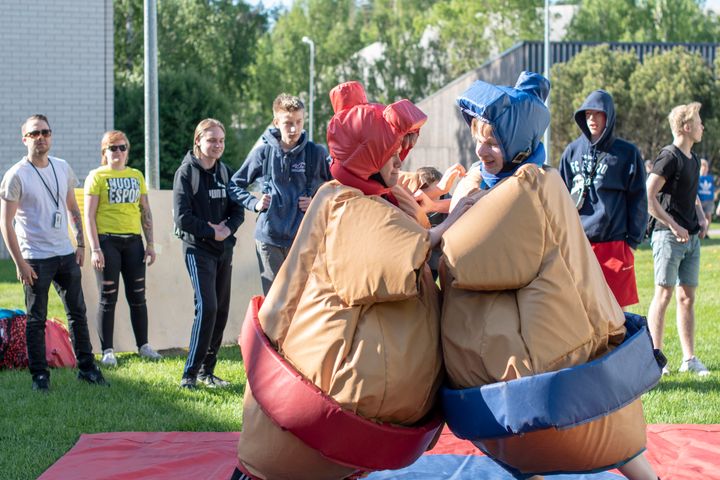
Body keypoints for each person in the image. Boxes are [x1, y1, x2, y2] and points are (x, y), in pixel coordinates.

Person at [233, 81, 477, 480]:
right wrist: (451, 220)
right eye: (391, 151)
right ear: (368, 156)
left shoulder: (372, 194)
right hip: (319, 391)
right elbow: (398, 252)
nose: (400, 159)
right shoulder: (346, 205)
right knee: (286, 464)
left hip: (338, 407)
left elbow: (409, 214)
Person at [441, 72, 658, 479]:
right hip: (545, 346)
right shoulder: (507, 179)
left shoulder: (529, 188)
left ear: (516, 142)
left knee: (602, 428)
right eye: (478, 139)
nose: (481, 150)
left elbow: (465, 257)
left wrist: (442, 229)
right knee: (528, 440)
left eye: (491, 142)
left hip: (561, 348)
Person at [0, 114, 107, 391]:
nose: (41, 137)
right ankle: (40, 376)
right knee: (36, 319)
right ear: (24, 139)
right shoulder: (16, 174)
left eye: (45, 132)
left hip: (65, 254)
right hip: (35, 257)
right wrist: (20, 263)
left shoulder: (62, 167)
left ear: (51, 135)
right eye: (34, 133)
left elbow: (73, 207)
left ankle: (87, 369)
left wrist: (80, 244)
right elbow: (5, 224)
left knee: (77, 313)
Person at [229, 94, 332, 295]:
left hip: (303, 240)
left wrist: (317, 202)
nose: (293, 129)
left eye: (298, 122)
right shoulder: (263, 153)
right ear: (276, 122)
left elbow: (338, 189)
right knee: (274, 303)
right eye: (287, 123)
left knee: (303, 302)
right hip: (269, 239)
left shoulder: (316, 153)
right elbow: (234, 185)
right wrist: (254, 204)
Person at [173, 118, 245, 390]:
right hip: (197, 250)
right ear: (198, 142)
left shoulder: (226, 173)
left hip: (223, 250)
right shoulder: (185, 173)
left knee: (222, 311)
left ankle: (207, 372)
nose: (217, 145)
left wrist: (228, 228)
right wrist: (209, 231)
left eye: (221, 141)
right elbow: (182, 218)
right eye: (212, 140)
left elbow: (237, 210)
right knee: (207, 307)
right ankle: (189, 375)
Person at [559, 90, 647, 309]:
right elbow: (559, 197)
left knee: (617, 312)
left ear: (609, 116)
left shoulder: (627, 153)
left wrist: (632, 242)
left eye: (598, 114)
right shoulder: (571, 152)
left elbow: (638, 199)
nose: (592, 119)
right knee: (580, 308)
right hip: (579, 244)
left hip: (614, 244)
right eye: (588, 114)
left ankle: (620, 346)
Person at [84, 130, 162, 367]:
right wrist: (95, 248)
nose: (118, 152)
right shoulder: (96, 176)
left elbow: (145, 211)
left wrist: (150, 244)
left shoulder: (137, 175)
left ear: (127, 150)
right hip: (108, 242)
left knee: (138, 296)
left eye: (122, 147)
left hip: (134, 243)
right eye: (112, 148)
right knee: (108, 298)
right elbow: (88, 216)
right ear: (104, 152)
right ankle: (108, 350)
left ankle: (144, 346)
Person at [646, 102, 710, 377]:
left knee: (687, 298)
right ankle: (654, 361)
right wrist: (672, 225)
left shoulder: (693, 159)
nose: (702, 126)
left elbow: (691, 193)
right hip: (667, 236)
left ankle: (689, 358)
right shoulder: (668, 156)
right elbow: (648, 197)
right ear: (686, 127)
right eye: (698, 122)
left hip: (691, 238)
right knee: (664, 294)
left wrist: (700, 216)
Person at [698, 158, 714, 234]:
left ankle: (706, 232)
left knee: (708, 215)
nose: (704, 168)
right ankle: (700, 231)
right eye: (702, 166)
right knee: (700, 216)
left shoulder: (710, 178)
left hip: (709, 200)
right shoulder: (697, 177)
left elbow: (714, 187)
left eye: (705, 167)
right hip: (699, 200)